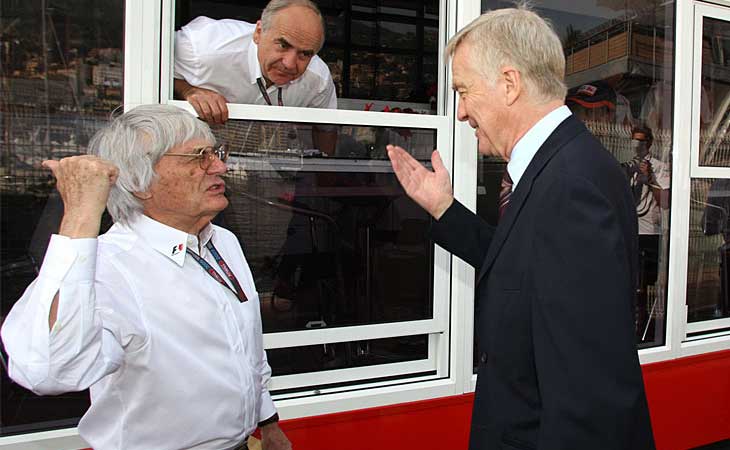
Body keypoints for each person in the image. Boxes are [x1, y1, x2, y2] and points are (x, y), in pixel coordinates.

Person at [386, 6, 655, 450]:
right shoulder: (560, 166)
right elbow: (528, 269)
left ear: (509, 84)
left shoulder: (571, 185)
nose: (462, 111)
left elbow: (589, 395)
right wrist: (444, 209)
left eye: (464, 91)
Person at [1, 105, 290, 450]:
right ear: (139, 184)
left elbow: (248, 347)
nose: (220, 167)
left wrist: (267, 421)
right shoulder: (107, 267)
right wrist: (80, 214)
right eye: (199, 157)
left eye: (216, 153)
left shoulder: (222, 242)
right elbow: (48, 370)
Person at [174, 0, 337, 124]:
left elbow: (325, 130)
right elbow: (151, 66)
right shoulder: (204, 48)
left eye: (305, 54)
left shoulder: (318, 79)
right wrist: (188, 90)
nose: (289, 64)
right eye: (283, 45)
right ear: (258, 33)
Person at [621, 124, 670, 340]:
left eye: (641, 141)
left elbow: (666, 202)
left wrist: (650, 180)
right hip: (631, 230)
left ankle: (647, 325)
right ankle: (633, 322)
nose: (637, 146)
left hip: (650, 231)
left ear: (649, 144)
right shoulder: (627, 167)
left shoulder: (659, 167)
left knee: (646, 282)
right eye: (634, 141)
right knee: (632, 281)